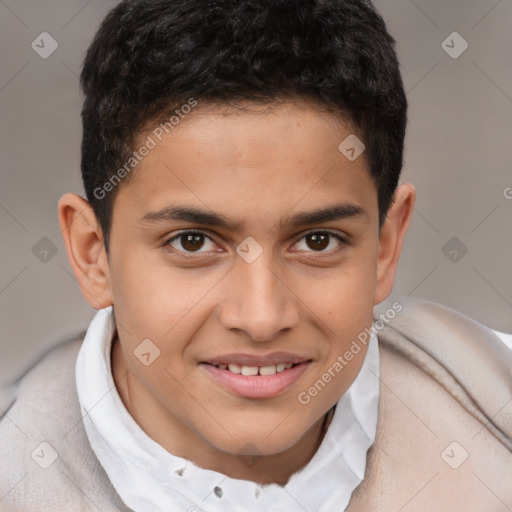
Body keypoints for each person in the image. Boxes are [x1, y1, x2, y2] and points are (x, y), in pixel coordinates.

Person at [1, 0, 511, 510]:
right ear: (94, 256)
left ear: (385, 247)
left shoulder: (494, 408)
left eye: (317, 241)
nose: (262, 318)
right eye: (193, 242)